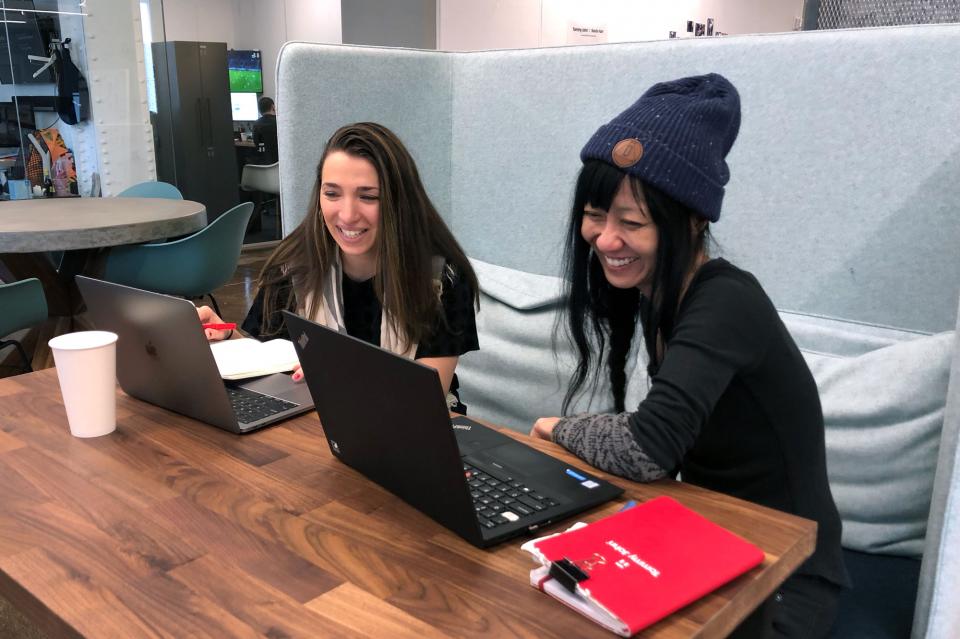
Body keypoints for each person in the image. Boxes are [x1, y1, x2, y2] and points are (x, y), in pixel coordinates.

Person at [529, 74, 849, 637]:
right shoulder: (659, 290)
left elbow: (649, 448)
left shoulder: (725, 300)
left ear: (693, 221)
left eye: (632, 222)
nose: (606, 239)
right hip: (709, 540)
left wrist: (559, 428)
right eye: (596, 215)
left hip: (786, 573)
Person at [200, 122, 480, 411]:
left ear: (400, 202)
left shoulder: (441, 278)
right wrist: (228, 338)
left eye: (368, 196)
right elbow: (268, 358)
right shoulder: (293, 267)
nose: (347, 215)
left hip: (417, 428)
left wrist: (333, 379)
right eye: (332, 194)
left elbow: (424, 399)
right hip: (311, 425)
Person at [252, 96, 278, 163]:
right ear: (273, 107)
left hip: (263, 166)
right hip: (278, 165)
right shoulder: (280, 122)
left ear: (259, 110)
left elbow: (256, 143)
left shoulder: (256, 124)